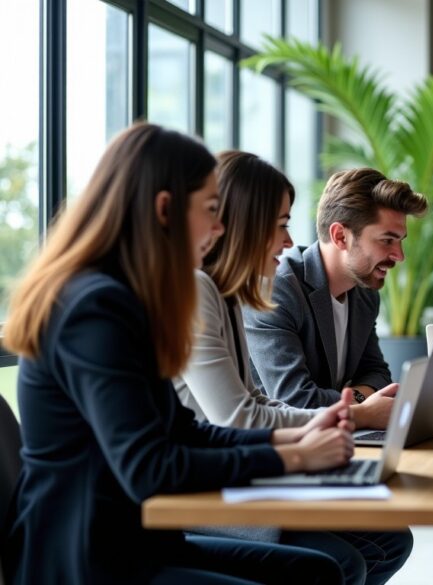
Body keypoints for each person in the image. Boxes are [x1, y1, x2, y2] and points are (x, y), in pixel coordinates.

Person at [1, 123, 357, 584]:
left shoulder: (124, 299)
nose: (219, 227)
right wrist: (294, 458)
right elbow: (150, 468)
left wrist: (293, 438)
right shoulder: (93, 309)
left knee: (319, 571)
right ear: (164, 209)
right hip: (88, 561)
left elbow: (184, 430)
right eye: (211, 210)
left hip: (133, 543)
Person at [174, 151, 413, 585]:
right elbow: (246, 414)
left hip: (236, 466)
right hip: (203, 488)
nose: (288, 242)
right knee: (342, 561)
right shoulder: (205, 291)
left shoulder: (225, 293)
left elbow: (258, 400)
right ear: (246, 224)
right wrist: (357, 413)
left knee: (391, 539)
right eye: (281, 224)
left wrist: (344, 414)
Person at [244, 168, 428, 430]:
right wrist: (364, 407)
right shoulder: (277, 289)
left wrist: (358, 400)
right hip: (282, 445)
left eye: (399, 241)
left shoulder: (364, 293)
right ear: (340, 236)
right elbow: (295, 399)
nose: (399, 255)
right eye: (387, 240)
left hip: (337, 435)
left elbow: (378, 375)